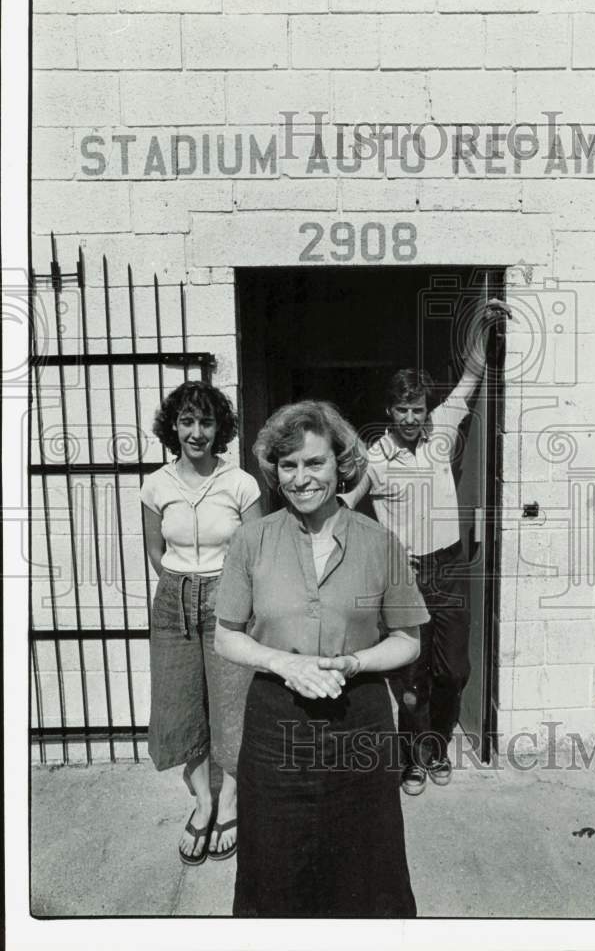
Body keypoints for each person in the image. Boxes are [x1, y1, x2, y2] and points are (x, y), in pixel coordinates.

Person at [214, 400, 428, 918]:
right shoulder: (252, 539)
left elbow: (408, 639)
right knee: (276, 868)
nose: (301, 478)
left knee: (366, 868)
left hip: (360, 723)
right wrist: (286, 664)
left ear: (340, 464)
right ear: (274, 471)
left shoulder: (380, 543)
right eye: (288, 466)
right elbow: (226, 637)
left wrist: (353, 662)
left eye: (314, 463)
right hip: (274, 726)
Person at [342, 298, 513, 796]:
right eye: (403, 410)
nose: (412, 418)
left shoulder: (441, 429)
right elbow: (346, 508)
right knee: (410, 681)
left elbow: (472, 375)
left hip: (449, 566)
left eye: (417, 409)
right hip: (405, 575)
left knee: (453, 672)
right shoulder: (376, 458)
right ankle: (414, 759)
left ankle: (437, 746)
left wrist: (482, 327)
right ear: (389, 411)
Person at [141, 381, 263, 866]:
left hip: (227, 599)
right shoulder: (156, 485)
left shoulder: (240, 484)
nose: (197, 432)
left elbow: (255, 552)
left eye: (206, 422)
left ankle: (229, 800)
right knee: (179, 703)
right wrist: (179, 588)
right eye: (188, 421)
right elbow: (156, 549)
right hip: (173, 601)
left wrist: (230, 597)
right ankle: (203, 801)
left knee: (233, 702)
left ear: (220, 429)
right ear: (174, 426)